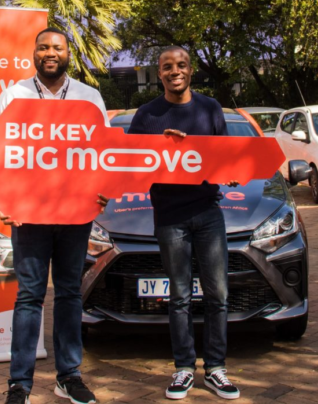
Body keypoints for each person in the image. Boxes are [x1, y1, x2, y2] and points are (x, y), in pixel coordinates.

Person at [0, 27, 109, 404]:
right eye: (43, 47)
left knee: (69, 295)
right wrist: (1, 201)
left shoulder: (89, 96)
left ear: (68, 54)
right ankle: (20, 384)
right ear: (34, 53)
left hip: (75, 214)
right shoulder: (14, 95)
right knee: (30, 296)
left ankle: (69, 377)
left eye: (57, 47)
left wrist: (104, 192)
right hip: (28, 216)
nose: (50, 53)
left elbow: (104, 153)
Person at [127, 46, 240, 400]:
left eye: (181, 65)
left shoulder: (210, 108)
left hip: (208, 213)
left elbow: (225, 158)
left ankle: (216, 369)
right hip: (169, 217)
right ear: (159, 73)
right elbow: (129, 164)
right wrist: (163, 149)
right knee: (179, 297)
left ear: (191, 70)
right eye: (167, 67)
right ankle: (184, 369)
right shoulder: (146, 115)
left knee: (218, 294)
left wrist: (233, 172)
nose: (174, 71)